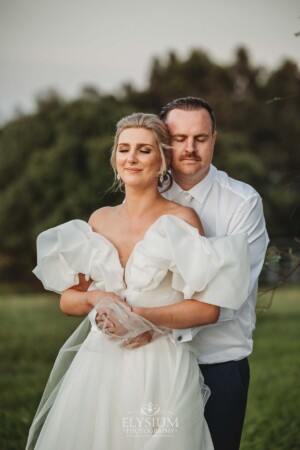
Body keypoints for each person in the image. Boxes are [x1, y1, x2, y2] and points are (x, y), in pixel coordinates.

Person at [26, 113, 250, 450]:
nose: (131, 158)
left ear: (162, 160)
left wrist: (139, 316)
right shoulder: (99, 220)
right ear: (114, 158)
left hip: (159, 363)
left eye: (144, 150)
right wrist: (95, 298)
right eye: (123, 149)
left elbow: (207, 310)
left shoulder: (181, 219)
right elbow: (68, 301)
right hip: (99, 364)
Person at [159, 97, 269, 450]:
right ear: (164, 141)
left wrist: (146, 315)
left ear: (214, 140)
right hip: (154, 362)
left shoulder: (243, 202)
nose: (190, 148)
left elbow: (229, 296)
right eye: (179, 138)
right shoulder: (146, 196)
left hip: (219, 364)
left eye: (200, 138)